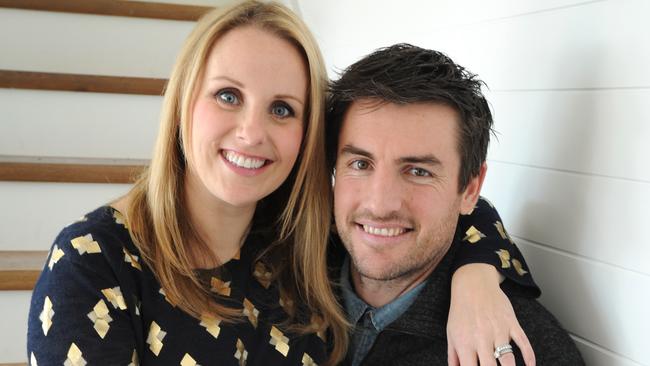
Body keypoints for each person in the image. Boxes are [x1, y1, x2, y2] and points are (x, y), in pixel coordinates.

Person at [27, 2, 537, 365]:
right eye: (228, 96)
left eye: (281, 109)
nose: (252, 132)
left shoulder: (304, 240)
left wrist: (477, 278)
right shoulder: (95, 262)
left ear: (306, 135)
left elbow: (449, 210)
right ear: (183, 105)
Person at [326, 43, 585, 365]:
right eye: (361, 164)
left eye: (418, 171)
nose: (380, 204)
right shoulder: (283, 275)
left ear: (470, 189)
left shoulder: (525, 350)